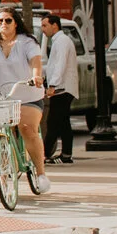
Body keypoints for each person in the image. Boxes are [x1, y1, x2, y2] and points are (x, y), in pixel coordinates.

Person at [0, 6, 52, 195]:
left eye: (8, 20)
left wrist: (37, 77)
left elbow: (36, 62)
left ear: (15, 23)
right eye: (0, 21)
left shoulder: (27, 42)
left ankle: (41, 175)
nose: (3, 24)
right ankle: (4, 179)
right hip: (0, 98)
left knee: (27, 128)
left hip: (28, 95)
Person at [38, 11, 80, 164]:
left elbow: (60, 65)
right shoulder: (60, 41)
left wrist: (53, 85)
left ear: (54, 25)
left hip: (62, 88)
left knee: (53, 122)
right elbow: (53, 65)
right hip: (63, 87)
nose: (43, 29)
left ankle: (44, 155)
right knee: (63, 122)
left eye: (45, 25)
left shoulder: (61, 41)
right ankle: (66, 155)